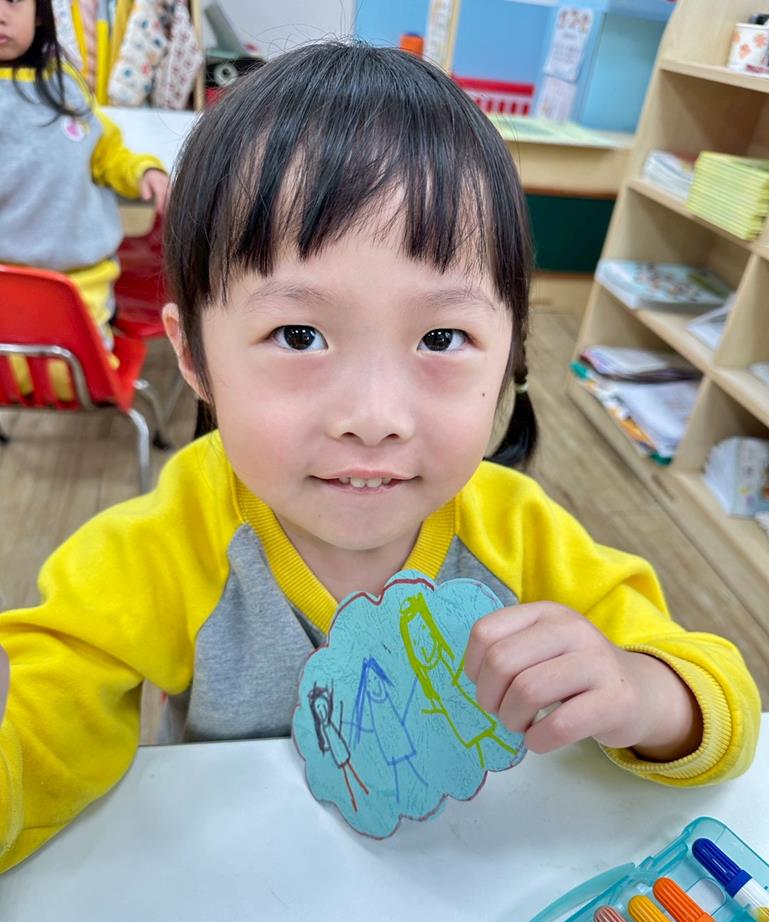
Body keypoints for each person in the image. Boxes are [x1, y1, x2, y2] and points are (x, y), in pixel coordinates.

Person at [0, 42, 760, 873]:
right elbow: (34, 746)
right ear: (193, 356)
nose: (373, 419)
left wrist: (642, 694)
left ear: (510, 349)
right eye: (299, 335)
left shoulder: (518, 534)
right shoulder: (156, 550)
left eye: (441, 337)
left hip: (468, 889)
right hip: (241, 891)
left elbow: (722, 707)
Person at [0, 0, 168, 395]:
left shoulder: (65, 84)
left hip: (81, 283)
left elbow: (106, 152)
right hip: (7, 284)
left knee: (71, 378)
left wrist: (143, 170)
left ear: (39, 12)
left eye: (13, 0)